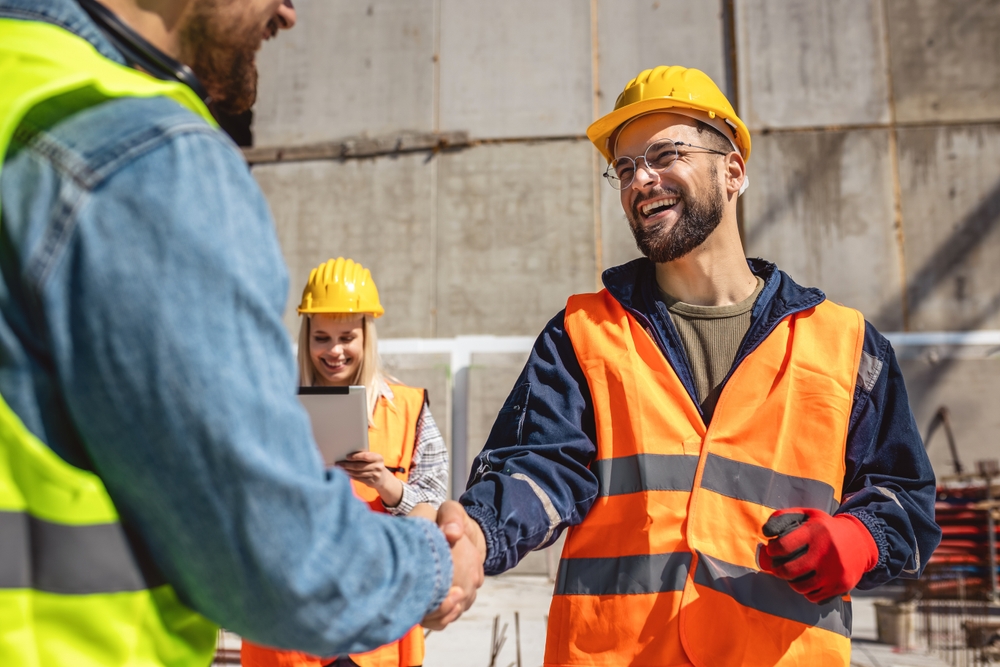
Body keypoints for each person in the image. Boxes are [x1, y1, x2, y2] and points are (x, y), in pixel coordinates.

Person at [0, 1, 481, 665]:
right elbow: (282, 558)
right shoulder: (145, 155)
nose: (288, 12)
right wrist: (439, 563)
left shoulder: (20, 83)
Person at [456, 65, 940, 666]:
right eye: (626, 166)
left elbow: (906, 501)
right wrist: (476, 533)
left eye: (666, 153)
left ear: (733, 170)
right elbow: (540, 468)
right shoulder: (583, 334)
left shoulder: (846, 344)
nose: (642, 178)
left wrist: (862, 538)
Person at [241, 257, 449, 667]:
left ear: (366, 336)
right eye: (321, 337)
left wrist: (387, 486)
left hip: (377, 634)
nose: (334, 351)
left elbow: (436, 506)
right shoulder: (272, 408)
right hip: (290, 630)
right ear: (306, 337)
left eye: (346, 337)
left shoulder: (407, 409)